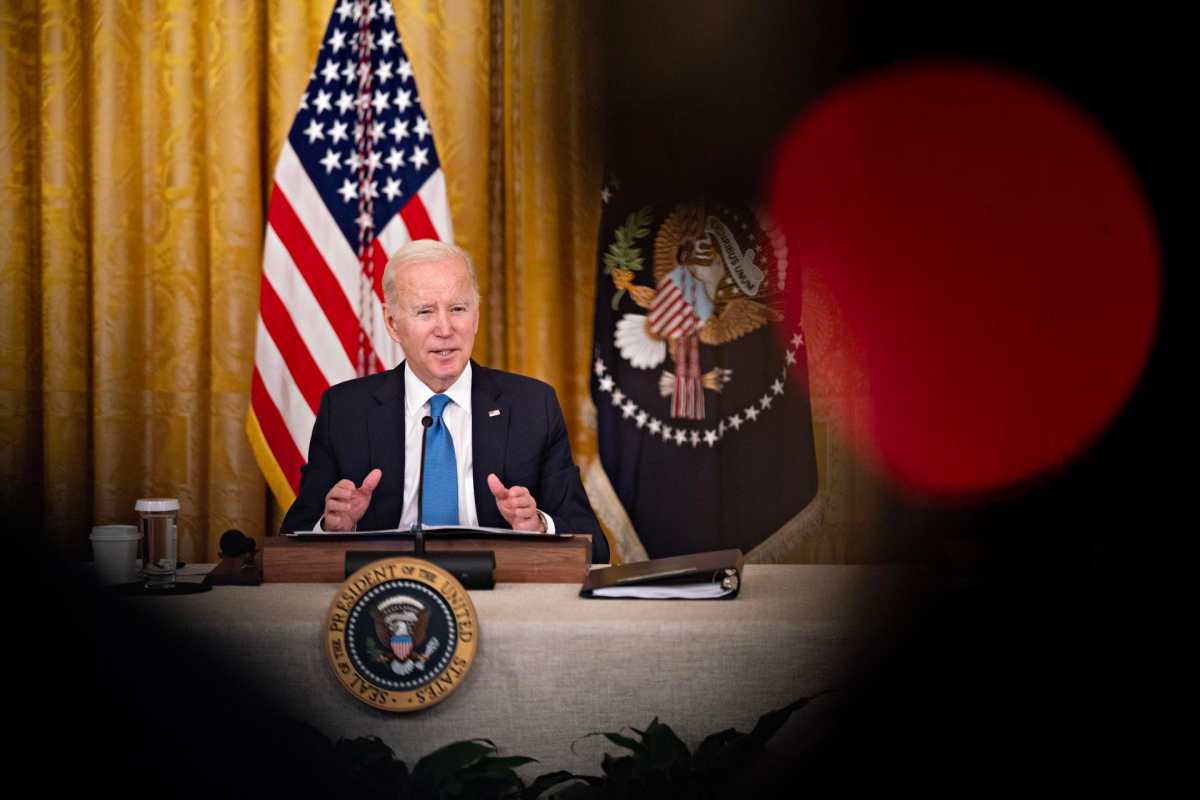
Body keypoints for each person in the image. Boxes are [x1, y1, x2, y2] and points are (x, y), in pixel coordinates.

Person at [280, 240, 608, 563]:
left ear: (476, 316)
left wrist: (538, 526)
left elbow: (594, 547)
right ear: (392, 323)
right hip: (385, 585)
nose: (445, 329)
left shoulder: (532, 406)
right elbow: (290, 546)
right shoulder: (345, 411)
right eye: (425, 312)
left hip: (499, 587)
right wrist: (333, 528)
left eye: (457, 309)